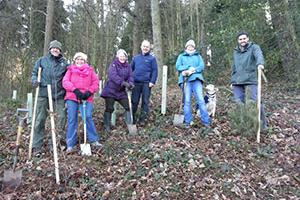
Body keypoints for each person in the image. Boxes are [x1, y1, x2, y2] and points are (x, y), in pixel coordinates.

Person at [31, 40, 68, 155]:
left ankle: (55, 143)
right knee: (40, 119)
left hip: (59, 95)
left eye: (57, 48)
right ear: (50, 49)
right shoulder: (42, 61)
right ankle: (37, 145)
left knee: (61, 118)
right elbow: (34, 73)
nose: (55, 50)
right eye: (53, 48)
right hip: (43, 94)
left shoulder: (64, 63)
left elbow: (71, 75)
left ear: (60, 50)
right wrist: (34, 80)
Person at [63, 52, 101, 153]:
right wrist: (75, 90)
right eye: (77, 59)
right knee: (72, 118)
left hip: (86, 98)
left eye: (82, 60)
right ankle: (70, 144)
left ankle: (94, 140)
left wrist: (89, 92)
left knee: (87, 116)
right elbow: (65, 82)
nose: (79, 61)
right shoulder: (70, 70)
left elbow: (96, 83)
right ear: (74, 60)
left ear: (85, 61)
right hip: (72, 97)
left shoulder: (90, 70)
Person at [231, 31, 268, 128]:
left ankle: (263, 125)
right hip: (237, 81)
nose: (242, 40)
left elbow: (258, 55)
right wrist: (232, 80)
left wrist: (260, 63)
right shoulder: (236, 51)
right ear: (238, 41)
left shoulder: (254, 47)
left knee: (254, 102)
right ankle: (244, 126)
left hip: (250, 79)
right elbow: (234, 66)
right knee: (239, 103)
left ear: (247, 39)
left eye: (244, 38)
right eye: (240, 39)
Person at [176, 39, 211, 128]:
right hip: (186, 80)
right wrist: (188, 68)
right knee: (187, 101)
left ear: (194, 47)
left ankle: (206, 122)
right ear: (186, 47)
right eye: (189, 46)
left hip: (196, 79)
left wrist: (194, 70)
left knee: (201, 100)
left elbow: (202, 66)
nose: (190, 47)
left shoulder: (198, 56)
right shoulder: (181, 56)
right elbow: (178, 66)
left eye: (192, 46)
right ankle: (188, 122)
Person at [101, 49, 134, 132]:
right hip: (111, 90)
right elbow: (113, 76)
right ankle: (107, 126)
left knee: (128, 107)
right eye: (121, 56)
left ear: (126, 57)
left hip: (121, 92)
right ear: (117, 57)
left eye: (124, 56)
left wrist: (130, 83)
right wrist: (123, 83)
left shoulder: (128, 66)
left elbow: (130, 76)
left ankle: (129, 125)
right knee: (109, 108)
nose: (122, 58)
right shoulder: (113, 65)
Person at [130, 40, 158, 124]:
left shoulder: (152, 59)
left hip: (147, 83)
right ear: (141, 47)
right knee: (134, 101)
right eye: (144, 46)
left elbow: (155, 71)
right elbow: (130, 70)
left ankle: (143, 120)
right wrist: (130, 80)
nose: (145, 48)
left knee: (145, 102)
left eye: (147, 47)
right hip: (136, 83)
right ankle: (132, 119)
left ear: (149, 48)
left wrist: (152, 81)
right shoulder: (136, 58)